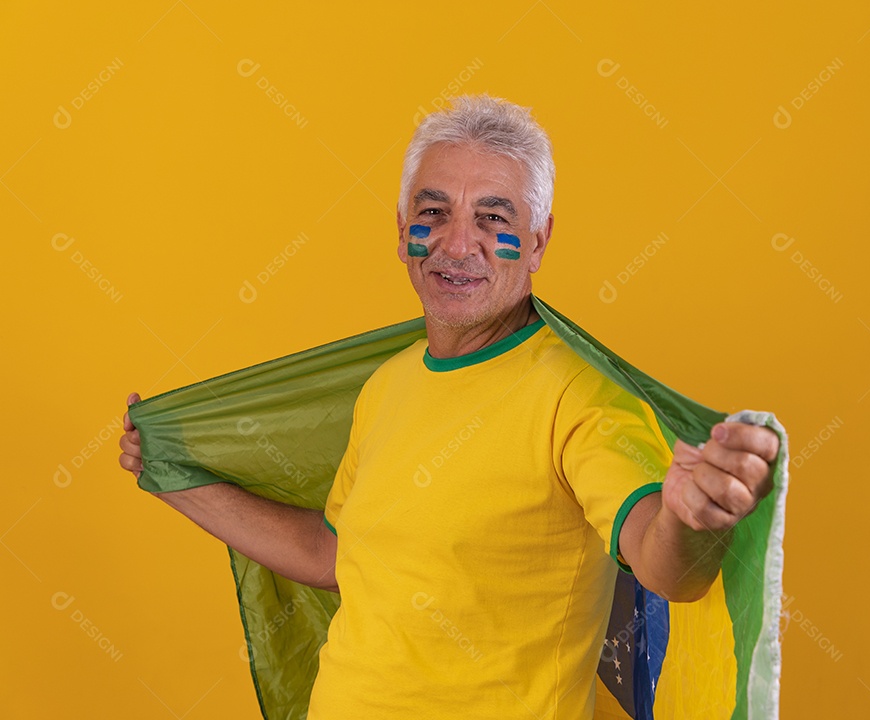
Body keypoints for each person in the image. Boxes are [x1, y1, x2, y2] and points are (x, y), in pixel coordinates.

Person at [119, 94, 779, 719]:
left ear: (540, 240)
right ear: (402, 229)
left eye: (494, 219)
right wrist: (168, 469)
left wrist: (695, 520)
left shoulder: (579, 395)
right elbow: (331, 554)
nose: (458, 245)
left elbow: (661, 560)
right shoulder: (387, 386)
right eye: (434, 214)